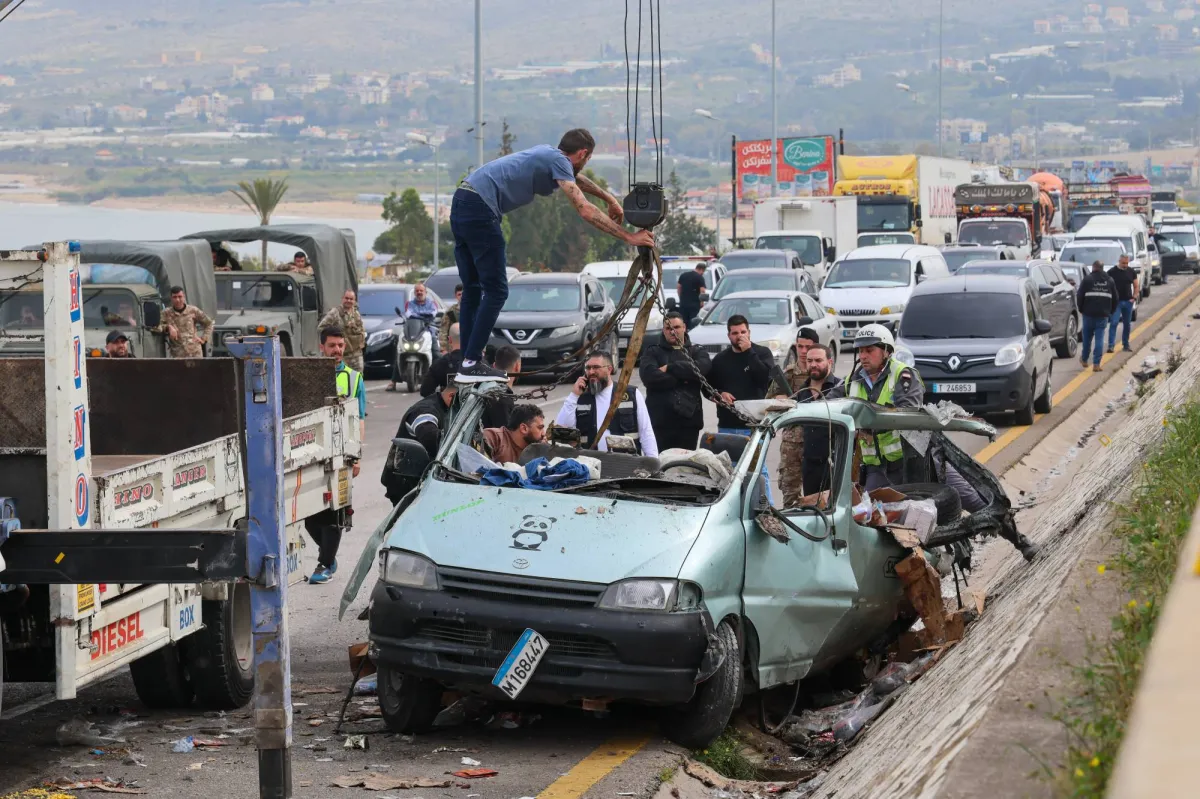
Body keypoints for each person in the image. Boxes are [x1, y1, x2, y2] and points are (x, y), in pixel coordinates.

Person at [451, 128, 655, 383]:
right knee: (496, 291)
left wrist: (608, 198)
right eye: (587, 159)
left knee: (473, 288)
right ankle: (472, 363)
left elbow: (575, 179)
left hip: (462, 201)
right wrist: (629, 237)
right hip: (481, 208)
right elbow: (584, 209)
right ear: (583, 154)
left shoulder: (549, 154)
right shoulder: (559, 161)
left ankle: (466, 363)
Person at [305, 326, 364, 585]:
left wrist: (358, 455)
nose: (337, 350)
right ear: (322, 347)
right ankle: (327, 555)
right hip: (314, 455)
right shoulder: (310, 375)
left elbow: (360, 419)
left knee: (333, 511)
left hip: (342, 455)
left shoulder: (354, 378)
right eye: (332, 345)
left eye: (341, 345)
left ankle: (326, 563)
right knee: (309, 518)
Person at [841, 323, 923, 490]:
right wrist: (796, 405)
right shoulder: (852, 380)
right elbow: (829, 403)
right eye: (860, 350)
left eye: (869, 350)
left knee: (965, 496)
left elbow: (908, 413)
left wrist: (869, 426)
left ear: (886, 351)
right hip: (875, 467)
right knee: (869, 512)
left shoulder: (903, 375)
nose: (863, 356)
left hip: (908, 463)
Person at [557, 351, 659, 456]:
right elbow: (563, 428)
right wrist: (574, 396)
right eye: (588, 368)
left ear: (609, 369)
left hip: (627, 463)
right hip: (591, 463)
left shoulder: (631, 394)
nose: (591, 372)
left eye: (596, 367)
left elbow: (646, 432)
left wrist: (652, 463)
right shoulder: (580, 397)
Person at [639, 311, 712, 451]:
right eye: (668, 328)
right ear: (663, 330)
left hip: (689, 422)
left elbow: (701, 370)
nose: (673, 332)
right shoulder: (652, 352)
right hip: (659, 423)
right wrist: (684, 377)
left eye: (677, 327)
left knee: (685, 466)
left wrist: (669, 368)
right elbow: (649, 377)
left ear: (684, 327)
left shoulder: (697, 351)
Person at [383, 381, 458, 504]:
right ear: (451, 397)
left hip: (426, 480)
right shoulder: (425, 410)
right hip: (407, 483)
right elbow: (431, 439)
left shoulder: (447, 409)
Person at [706, 315, 776, 435]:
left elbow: (764, 378)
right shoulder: (720, 359)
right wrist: (720, 394)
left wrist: (749, 352)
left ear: (749, 333)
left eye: (743, 332)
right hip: (727, 425)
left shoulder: (762, 353)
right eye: (735, 333)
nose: (740, 336)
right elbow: (707, 386)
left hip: (755, 424)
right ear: (729, 335)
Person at [779, 328, 823, 506]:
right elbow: (769, 402)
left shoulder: (823, 374)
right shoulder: (788, 374)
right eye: (800, 347)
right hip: (792, 443)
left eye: (808, 347)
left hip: (818, 442)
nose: (804, 352)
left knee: (819, 495)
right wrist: (781, 400)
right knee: (790, 491)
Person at [792, 344, 840, 497]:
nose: (813, 364)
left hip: (836, 464)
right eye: (809, 360)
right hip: (810, 465)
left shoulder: (841, 388)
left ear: (830, 363)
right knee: (812, 511)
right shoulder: (801, 393)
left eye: (818, 360)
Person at [1077, 259, 1117, 373]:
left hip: (1088, 314)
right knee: (1099, 339)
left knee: (1087, 339)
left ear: (1094, 267)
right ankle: (1096, 364)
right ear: (1102, 268)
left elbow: (1079, 296)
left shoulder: (1087, 279)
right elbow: (1115, 298)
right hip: (1102, 315)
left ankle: (1084, 359)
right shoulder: (1110, 281)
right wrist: (1111, 311)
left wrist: (1081, 309)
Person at [159, 286, 214, 358]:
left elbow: (209, 323)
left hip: (195, 353)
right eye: (175, 297)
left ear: (184, 297)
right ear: (171, 298)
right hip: (177, 354)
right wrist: (168, 327)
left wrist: (203, 339)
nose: (178, 300)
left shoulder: (193, 310)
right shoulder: (166, 313)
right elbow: (155, 327)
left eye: (180, 296)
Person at [319, 289, 366, 372]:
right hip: (341, 354)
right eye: (346, 298)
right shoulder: (335, 313)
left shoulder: (356, 314)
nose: (348, 300)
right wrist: (335, 333)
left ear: (354, 301)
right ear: (342, 299)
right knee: (342, 377)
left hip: (356, 354)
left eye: (351, 299)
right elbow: (321, 327)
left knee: (357, 379)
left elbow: (361, 330)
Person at [1106, 254, 1139, 355]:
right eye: (1123, 263)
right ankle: (1111, 345)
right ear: (1119, 261)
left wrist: (1134, 297)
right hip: (1116, 303)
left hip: (1128, 302)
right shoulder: (1111, 272)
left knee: (1127, 324)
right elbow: (1107, 286)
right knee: (1114, 323)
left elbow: (1136, 286)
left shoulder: (1131, 272)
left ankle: (1126, 344)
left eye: (1127, 263)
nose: (1125, 265)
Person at [422, 323, 463, 397]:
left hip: (447, 407)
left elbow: (425, 391)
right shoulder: (480, 363)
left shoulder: (440, 363)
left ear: (450, 339)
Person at [676, 262, 708, 329]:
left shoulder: (683, 275)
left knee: (683, 323)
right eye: (703, 271)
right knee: (693, 323)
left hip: (683, 304)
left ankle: (683, 336)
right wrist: (702, 302)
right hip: (694, 305)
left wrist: (681, 298)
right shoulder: (700, 277)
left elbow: (678, 287)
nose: (703, 273)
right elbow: (702, 290)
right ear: (701, 269)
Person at [438, 283, 463, 355]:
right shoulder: (451, 312)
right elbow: (443, 330)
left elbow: (480, 331)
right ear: (456, 296)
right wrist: (443, 349)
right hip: (453, 348)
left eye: (464, 294)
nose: (462, 296)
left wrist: (482, 349)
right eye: (459, 294)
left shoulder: (474, 311)